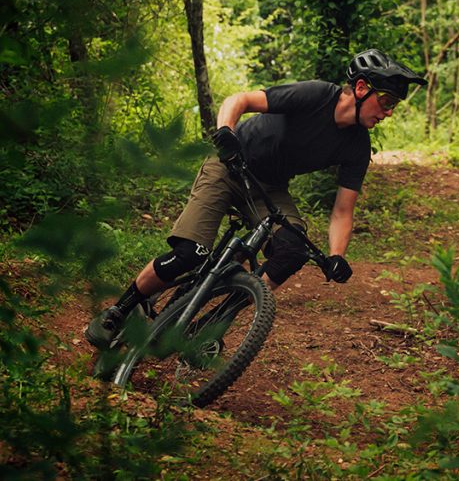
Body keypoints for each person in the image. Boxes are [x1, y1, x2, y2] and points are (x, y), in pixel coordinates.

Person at [85, 49, 427, 347]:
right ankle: (120, 310)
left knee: (292, 250)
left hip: (270, 188)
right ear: (362, 88)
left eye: (393, 105)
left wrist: (337, 255)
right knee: (190, 253)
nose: (388, 112)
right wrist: (226, 133)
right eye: (386, 101)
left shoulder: (357, 145)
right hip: (228, 166)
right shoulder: (316, 96)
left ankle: (214, 320)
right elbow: (241, 100)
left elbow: (342, 210)